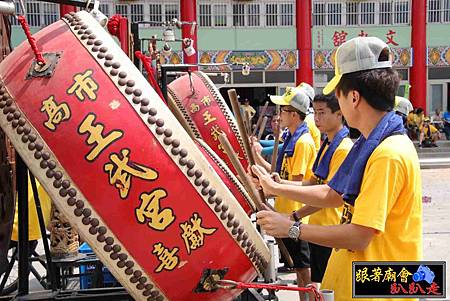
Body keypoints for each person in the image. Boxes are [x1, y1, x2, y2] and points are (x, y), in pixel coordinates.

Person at [252, 37, 422, 301]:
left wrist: (291, 227)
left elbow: (359, 236)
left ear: (353, 97)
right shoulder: (369, 143)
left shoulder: (387, 154)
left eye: (338, 95)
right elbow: (333, 194)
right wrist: (275, 187)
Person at [252, 88, 316, 301]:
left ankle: (306, 298)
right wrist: (256, 157)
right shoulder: (290, 138)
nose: (280, 115)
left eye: (284, 111)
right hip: (285, 211)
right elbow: (276, 173)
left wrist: (274, 184)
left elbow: (297, 182)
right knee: (297, 266)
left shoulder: (303, 142)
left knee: (302, 266)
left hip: (296, 213)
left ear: (295, 115)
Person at [291, 93, 353, 288]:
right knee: (322, 286)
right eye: (315, 113)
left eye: (322, 113)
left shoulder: (342, 148)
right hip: (319, 227)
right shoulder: (327, 144)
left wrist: (294, 216)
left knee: (331, 288)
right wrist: (279, 185)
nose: (317, 118)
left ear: (339, 114)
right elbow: (313, 183)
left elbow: (329, 195)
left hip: (331, 228)